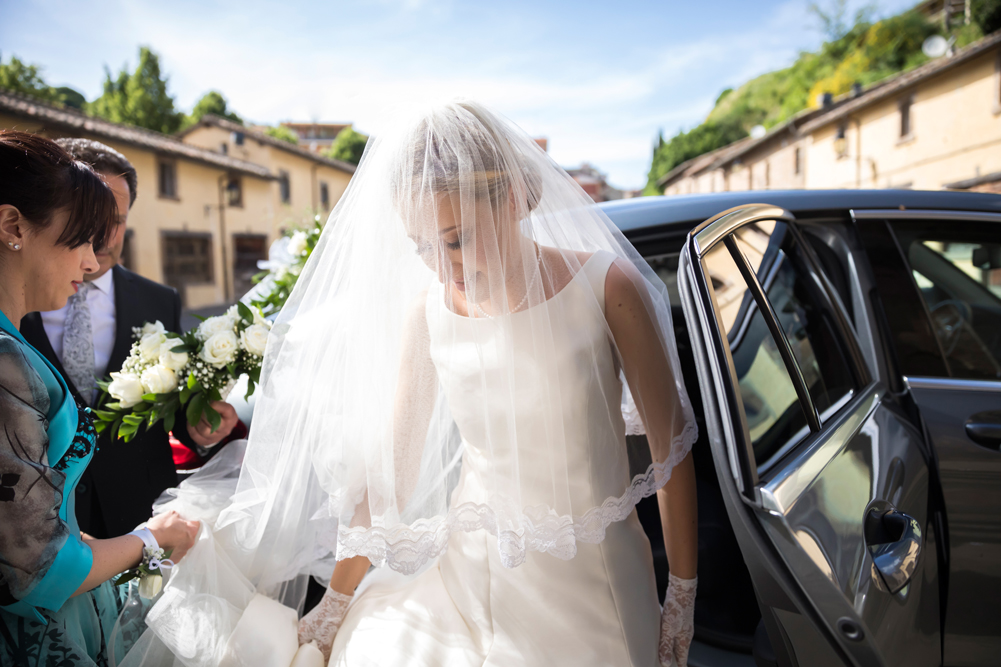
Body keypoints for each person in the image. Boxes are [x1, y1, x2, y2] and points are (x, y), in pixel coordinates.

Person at [121, 101, 699, 667]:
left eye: (454, 240)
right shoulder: (428, 310)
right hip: (470, 575)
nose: (442, 267)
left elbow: (669, 454)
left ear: (519, 199)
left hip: (594, 579)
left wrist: (682, 592)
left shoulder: (607, 286)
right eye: (422, 247)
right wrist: (338, 598)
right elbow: (390, 468)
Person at [0, 130, 200, 666]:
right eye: (82, 236)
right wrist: (150, 539)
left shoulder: (156, 299)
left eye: (110, 229)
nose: (93, 261)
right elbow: (38, 568)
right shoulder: (5, 358)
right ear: (14, 226)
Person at [19, 138, 241, 540]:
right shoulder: (17, 299)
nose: (103, 236)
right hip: (43, 521)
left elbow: (170, 405)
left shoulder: (160, 300)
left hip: (144, 511)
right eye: (89, 219)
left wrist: (199, 423)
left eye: (117, 219)